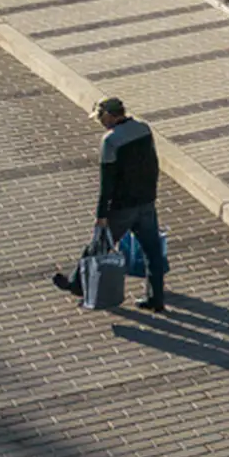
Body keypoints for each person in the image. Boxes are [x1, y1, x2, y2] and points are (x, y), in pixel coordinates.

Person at [52, 98, 169, 310]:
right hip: (146, 202)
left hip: (122, 207)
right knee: (152, 252)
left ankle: (77, 283)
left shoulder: (111, 141)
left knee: (98, 246)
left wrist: (102, 214)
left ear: (111, 116)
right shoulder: (144, 129)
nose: (100, 122)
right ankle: (156, 298)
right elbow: (153, 166)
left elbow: (107, 183)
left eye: (101, 117)